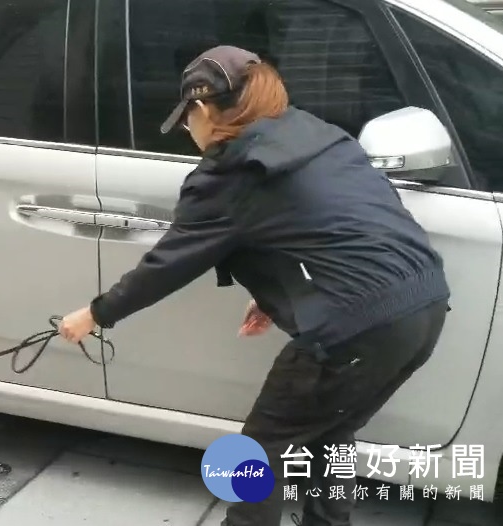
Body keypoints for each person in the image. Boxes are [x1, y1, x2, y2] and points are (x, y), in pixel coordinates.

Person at [57, 45, 450, 526]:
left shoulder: (233, 172)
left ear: (203, 110)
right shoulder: (316, 135)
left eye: (187, 120)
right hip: (424, 304)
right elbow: (340, 228)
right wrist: (280, 295)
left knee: (259, 450)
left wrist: (96, 313)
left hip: (356, 329)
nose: (190, 131)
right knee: (332, 432)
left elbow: (168, 264)